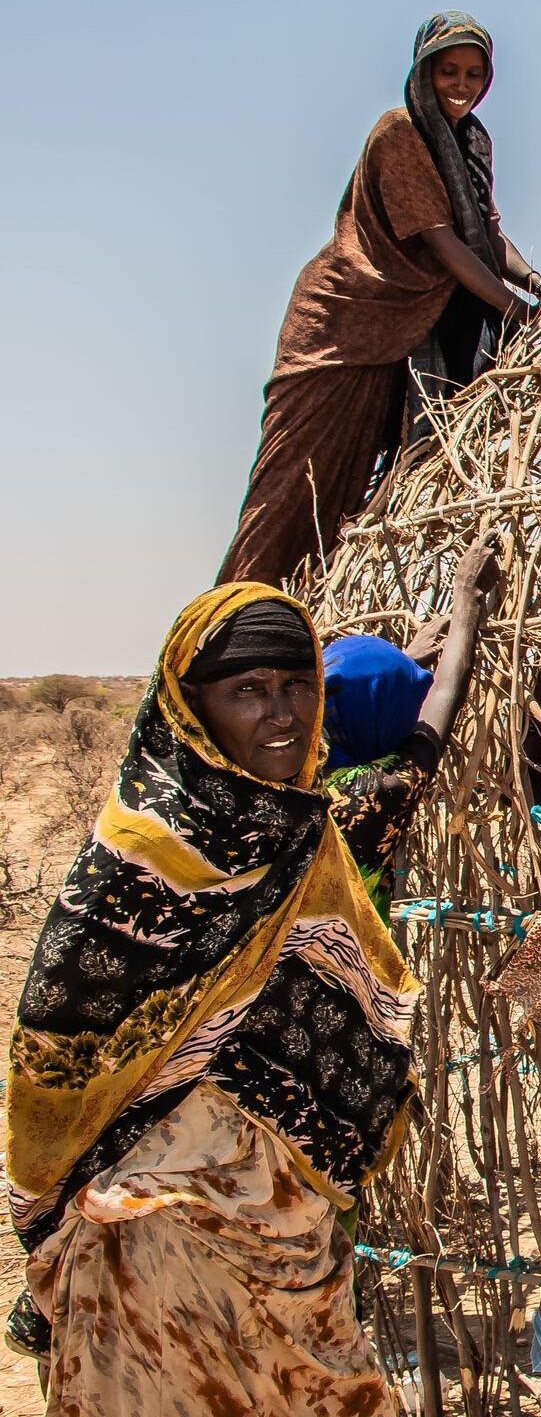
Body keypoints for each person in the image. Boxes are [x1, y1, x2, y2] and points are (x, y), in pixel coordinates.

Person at [6, 583, 425, 1416]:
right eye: (247, 691)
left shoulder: (304, 833)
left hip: (287, 1215)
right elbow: (52, 1041)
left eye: (297, 685)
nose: (282, 714)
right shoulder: (143, 855)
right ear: (191, 708)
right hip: (150, 1223)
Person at [218, 12, 541, 588]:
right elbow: (444, 242)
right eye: (448, 70)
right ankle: (233, 630)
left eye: (474, 74)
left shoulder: (473, 143)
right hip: (345, 321)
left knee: (351, 494)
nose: (461, 85)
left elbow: (487, 233)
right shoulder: (399, 132)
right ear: (423, 72)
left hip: (410, 325)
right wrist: (514, 311)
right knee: (290, 489)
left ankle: (310, 623)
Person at [323, 534, 500, 922]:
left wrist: (403, 661)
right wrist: (466, 595)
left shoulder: (272, 774)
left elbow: (359, 693)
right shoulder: (369, 797)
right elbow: (446, 691)